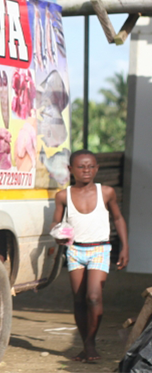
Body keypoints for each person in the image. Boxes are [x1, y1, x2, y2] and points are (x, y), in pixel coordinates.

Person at [51, 149, 129, 363]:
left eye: (91, 166)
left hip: (99, 249)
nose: (86, 170)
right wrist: (58, 234)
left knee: (93, 297)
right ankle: (86, 346)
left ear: (97, 168)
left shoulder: (106, 192)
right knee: (79, 299)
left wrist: (125, 247)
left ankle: (90, 343)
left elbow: (118, 218)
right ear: (70, 169)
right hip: (75, 250)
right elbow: (55, 222)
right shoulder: (63, 196)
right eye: (81, 166)